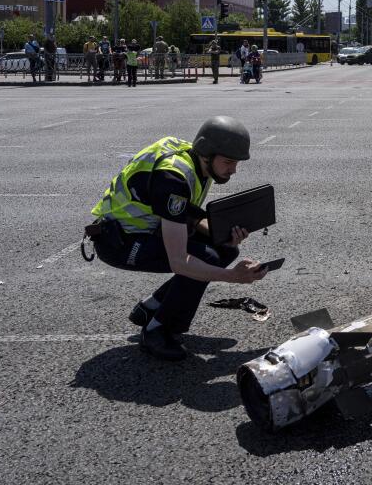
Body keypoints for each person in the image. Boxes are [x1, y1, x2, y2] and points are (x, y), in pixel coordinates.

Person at [85, 116, 267, 360]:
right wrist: (233, 277)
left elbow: (184, 214)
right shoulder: (173, 177)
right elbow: (179, 262)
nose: (233, 170)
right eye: (228, 162)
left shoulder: (192, 158)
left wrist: (223, 235)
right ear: (207, 154)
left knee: (225, 249)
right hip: (119, 243)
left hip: (143, 231)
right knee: (206, 257)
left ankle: (151, 308)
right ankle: (157, 330)